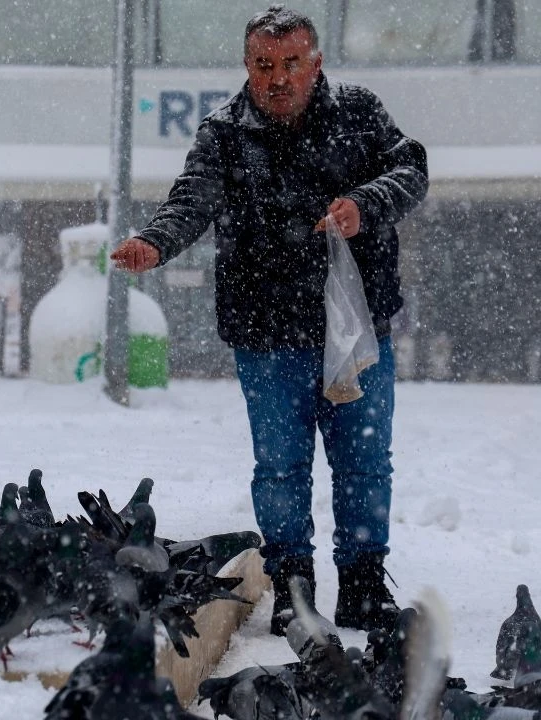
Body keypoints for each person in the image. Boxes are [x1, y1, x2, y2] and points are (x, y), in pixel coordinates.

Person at [111, 5, 428, 634]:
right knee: (281, 465)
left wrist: (365, 204)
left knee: (365, 463)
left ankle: (364, 583)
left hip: (357, 331)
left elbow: (411, 169)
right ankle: (293, 585)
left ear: (317, 64)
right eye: (263, 65)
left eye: (291, 64)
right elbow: (191, 201)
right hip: (267, 332)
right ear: (247, 67)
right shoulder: (225, 132)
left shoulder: (359, 113)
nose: (277, 78)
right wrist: (155, 243)